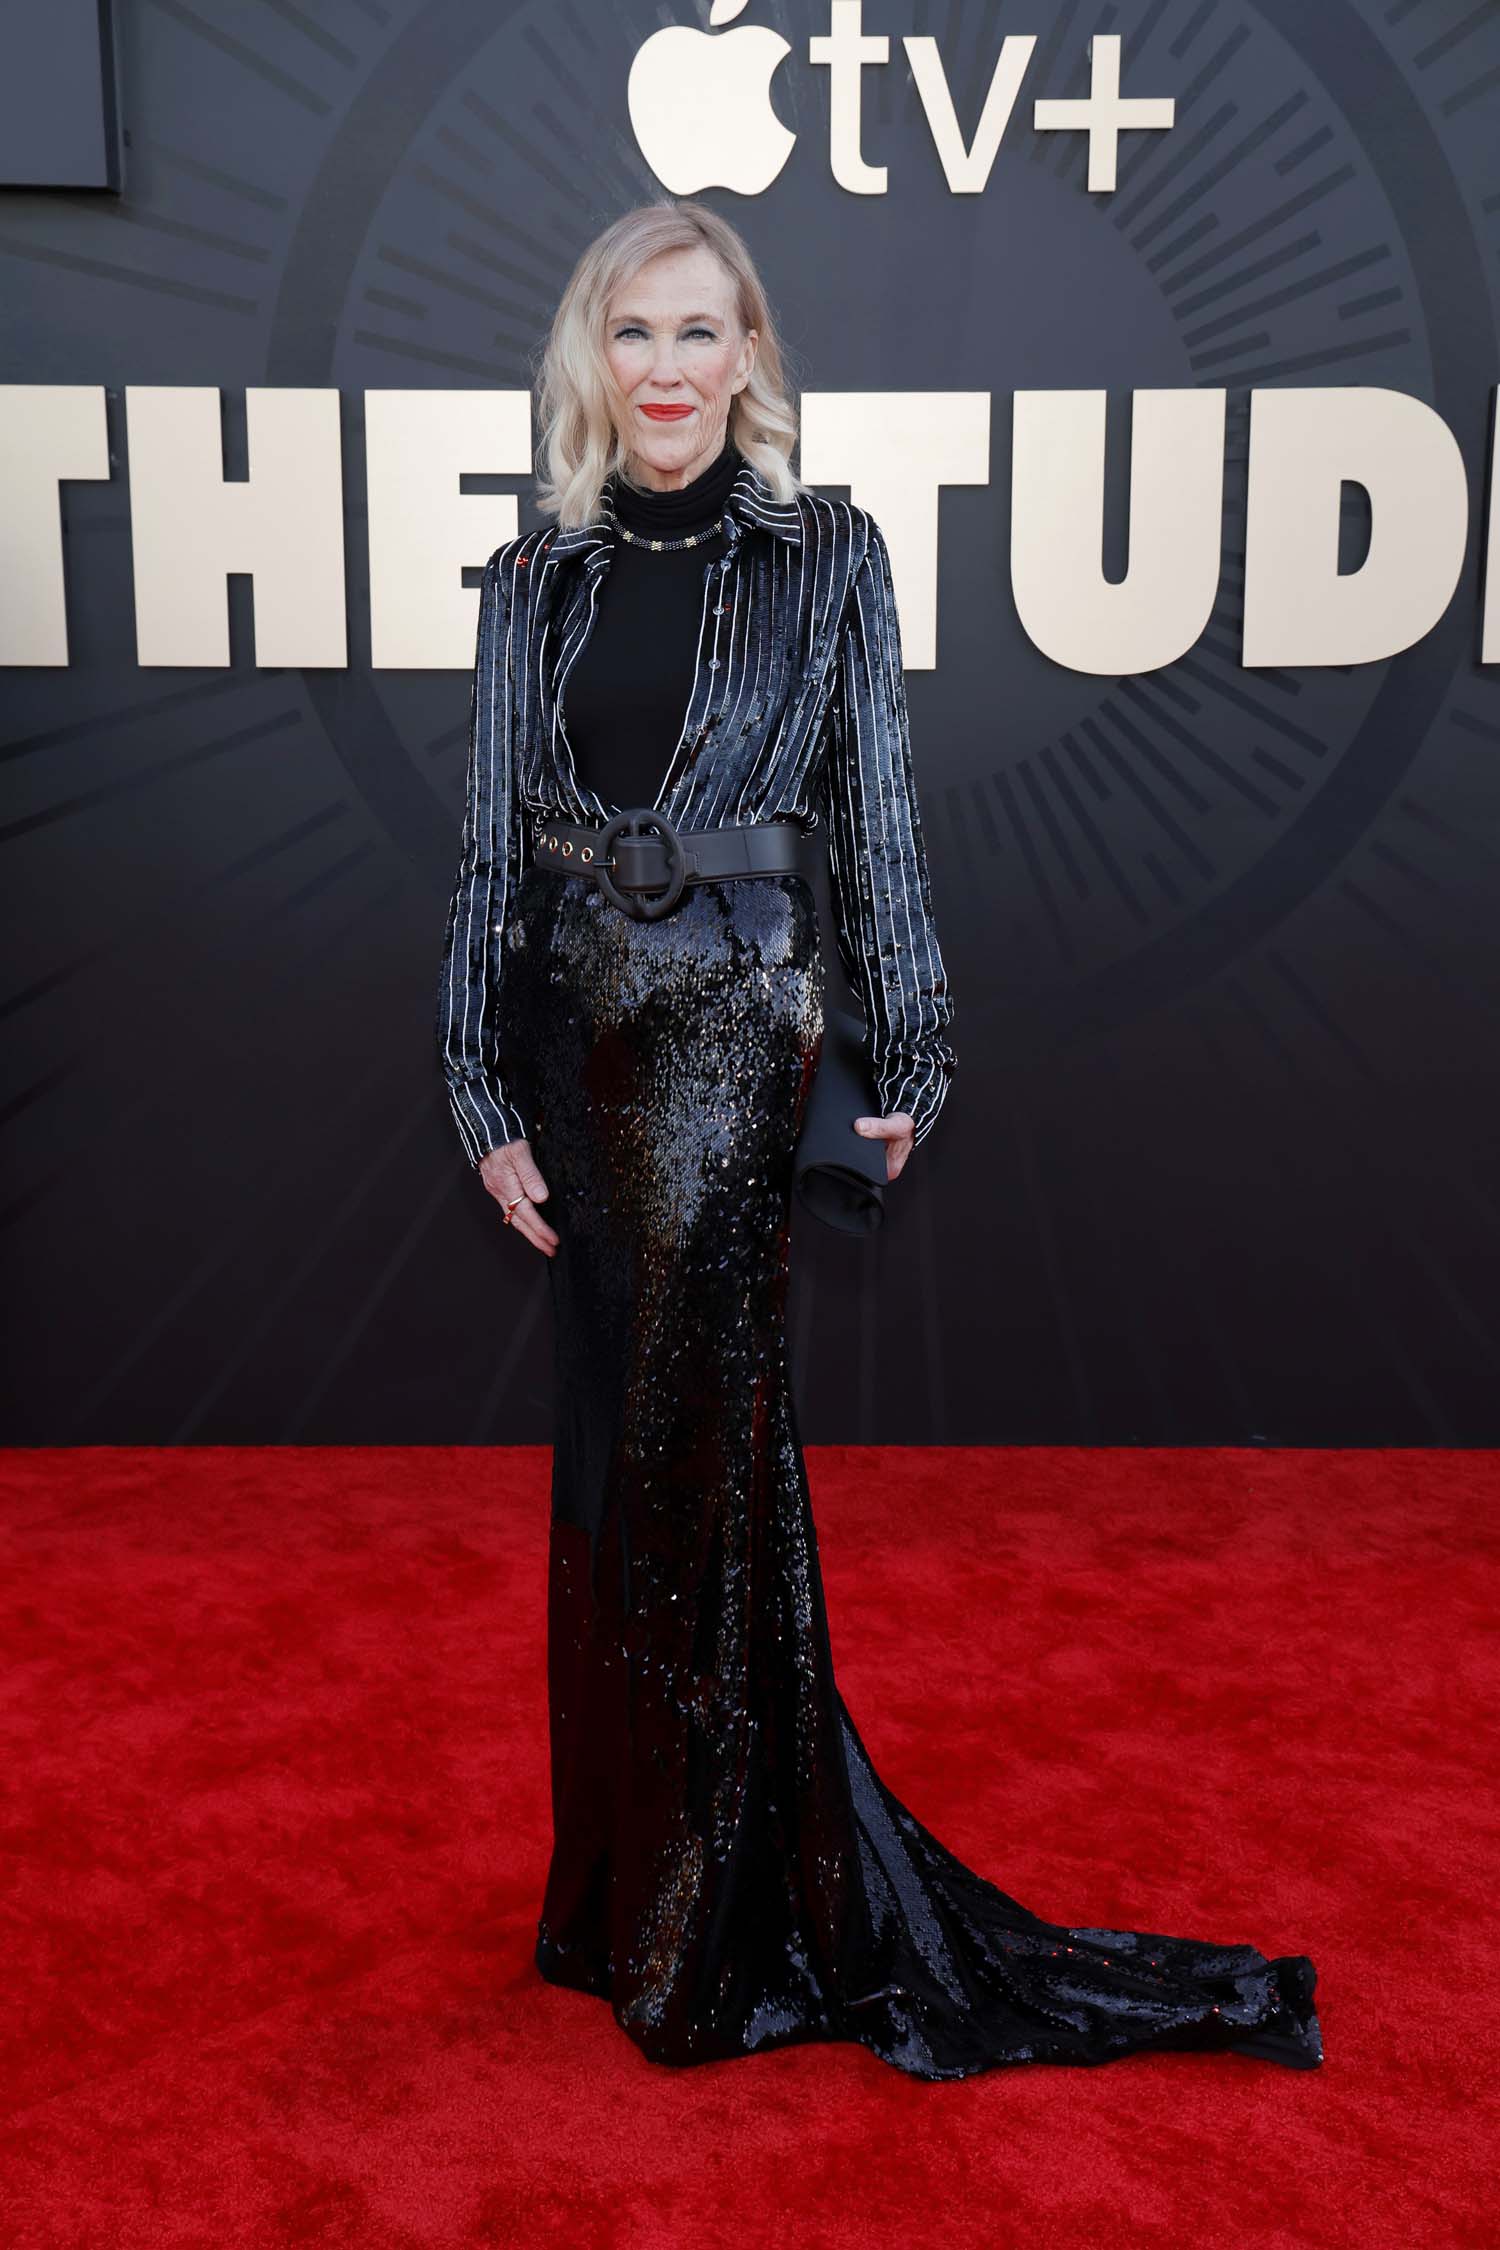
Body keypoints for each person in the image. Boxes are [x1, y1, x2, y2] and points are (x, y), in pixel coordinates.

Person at [435, 198, 1323, 2077]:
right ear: (592, 358)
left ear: (750, 352)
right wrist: (479, 1085)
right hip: (575, 1035)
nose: (666, 368)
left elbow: (876, 810)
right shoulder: (530, 581)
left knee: (698, 1454)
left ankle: (713, 1923)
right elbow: (490, 857)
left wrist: (912, 1035)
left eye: (700, 330)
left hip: (731, 1035)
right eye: (633, 332)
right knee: (613, 1461)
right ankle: (622, 1888)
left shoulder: (827, 553)